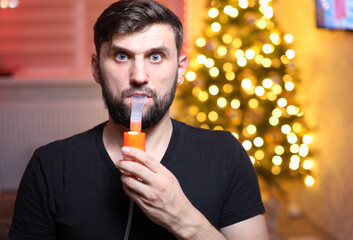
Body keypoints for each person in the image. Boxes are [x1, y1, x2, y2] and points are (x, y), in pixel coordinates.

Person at [9, 0, 269, 239]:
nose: (139, 76)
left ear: (180, 70)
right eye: (122, 56)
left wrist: (185, 220)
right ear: (96, 69)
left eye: (155, 56)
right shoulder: (50, 166)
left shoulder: (225, 154)